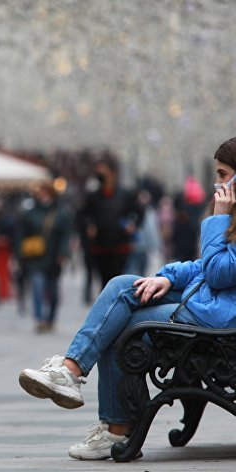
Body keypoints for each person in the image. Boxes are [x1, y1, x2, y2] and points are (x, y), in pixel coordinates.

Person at [19, 136, 236, 461]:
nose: (216, 182)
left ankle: (111, 423)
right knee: (124, 286)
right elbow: (206, 267)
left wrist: (219, 216)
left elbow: (220, 273)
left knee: (121, 326)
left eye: (222, 174)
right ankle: (72, 374)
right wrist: (165, 277)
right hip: (210, 302)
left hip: (220, 318)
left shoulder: (225, 213)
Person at [80, 151, 142, 290]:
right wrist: (89, 226)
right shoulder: (94, 197)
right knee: (104, 280)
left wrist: (133, 225)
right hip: (100, 246)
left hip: (120, 245)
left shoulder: (125, 194)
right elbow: (83, 215)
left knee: (118, 279)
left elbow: (139, 211)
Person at [16, 182, 72, 333]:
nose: (42, 196)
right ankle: (39, 319)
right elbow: (21, 234)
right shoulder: (30, 213)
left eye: (45, 192)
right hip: (35, 258)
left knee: (53, 291)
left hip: (53, 258)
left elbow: (65, 235)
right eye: (40, 192)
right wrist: (19, 253)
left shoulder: (61, 213)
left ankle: (51, 319)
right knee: (37, 286)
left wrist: (63, 252)